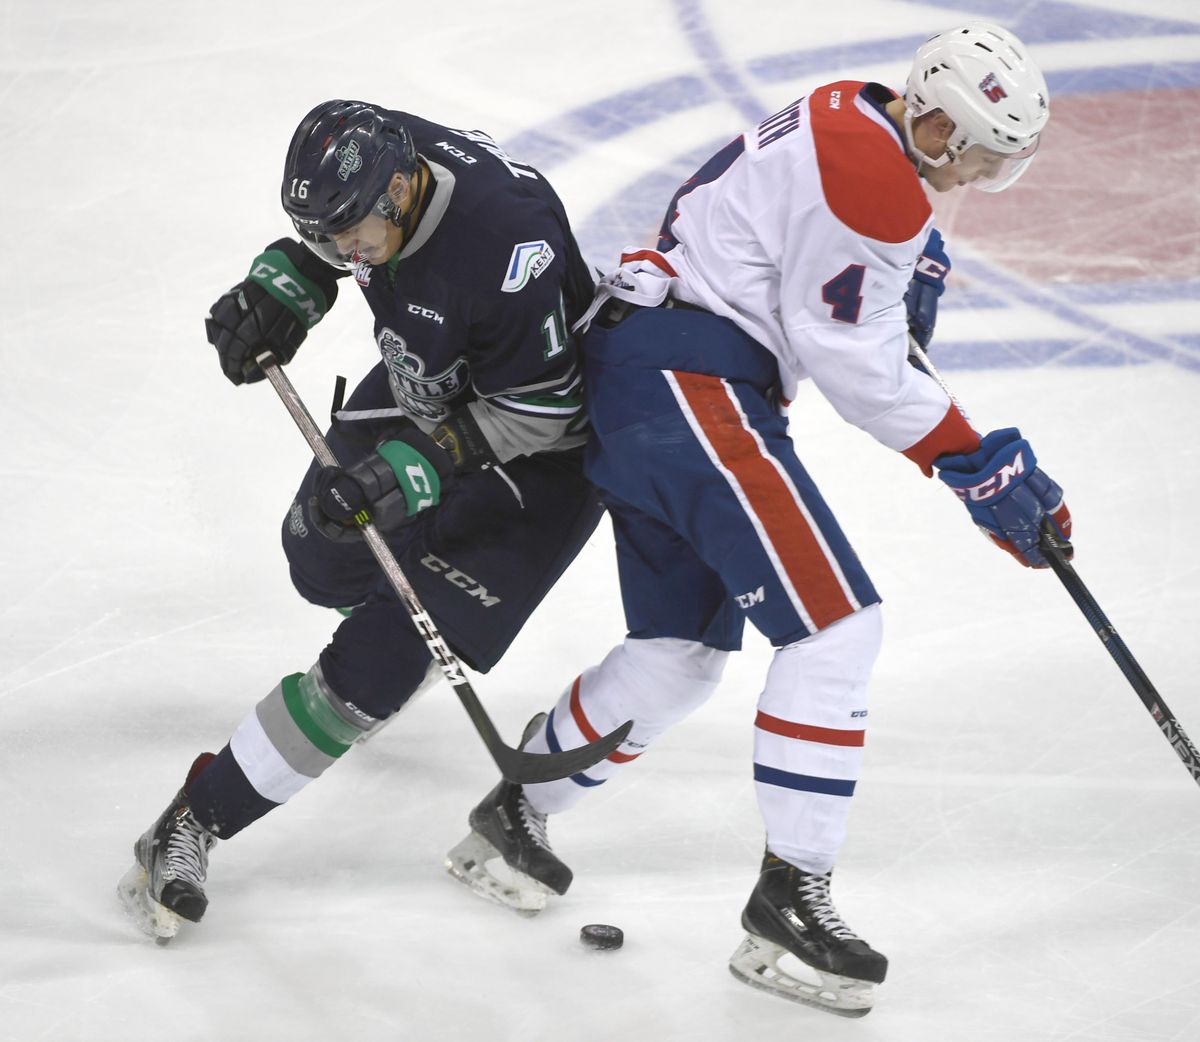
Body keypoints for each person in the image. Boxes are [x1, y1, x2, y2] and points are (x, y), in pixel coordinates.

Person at [445, 22, 1071, 1018]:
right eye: (982, 160)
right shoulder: (880, 173)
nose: (975, 182)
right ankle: (792, 899)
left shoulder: (856, 113)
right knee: (837, 627)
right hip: (692, 384)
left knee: (678, 653)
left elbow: (817, 280)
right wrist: (976, 464)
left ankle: (515, 816)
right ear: (941, 120)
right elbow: (857, 364)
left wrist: (902, 280)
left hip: (646, 382)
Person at [118, 99, 605, 941]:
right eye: (322, 233)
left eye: (347, 235)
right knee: (319, 557)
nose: (339, 250)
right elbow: (327, 251)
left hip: (533, 461)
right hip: (430, 391)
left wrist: (423, 465)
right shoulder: (375, 157)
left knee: (367, 671)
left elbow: (551, 414)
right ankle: (385, 629)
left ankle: (194, 820)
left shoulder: (506, 246)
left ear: (402, 188)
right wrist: (286, 286)